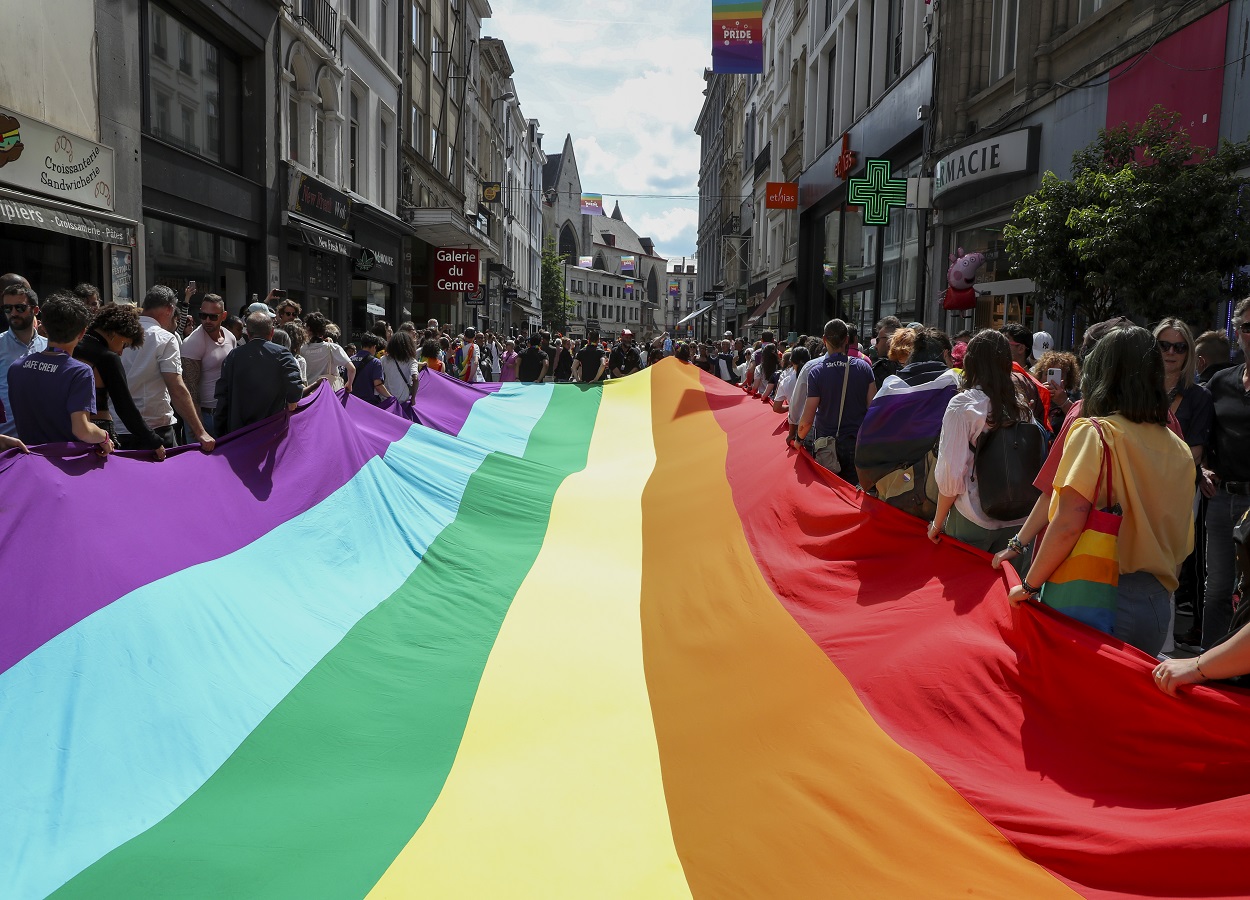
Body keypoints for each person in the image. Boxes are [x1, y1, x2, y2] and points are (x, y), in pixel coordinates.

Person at [1007, 326, 1195, 656]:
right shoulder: (1180, 449)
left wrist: (1028, 585)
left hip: (1093, 596)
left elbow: (1067, 524)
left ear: (1102, 373)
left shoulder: (1094, 433)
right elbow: (1180, 544)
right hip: (1154, 606)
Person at [928, 330, 1034, 552]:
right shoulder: (1022, 405)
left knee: (965, 585)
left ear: (971, 362)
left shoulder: (963, 405)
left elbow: (951, 475)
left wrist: (937, 523)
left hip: (972, 517)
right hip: (1019, 521)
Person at [1200, 298, 1250, 647]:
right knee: (1216, 588)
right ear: (1237, 332)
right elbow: (1204, 434)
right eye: (1248, 327)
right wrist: (1202, 468)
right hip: (1221, 499)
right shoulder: (1221, 381)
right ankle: (1207, 668)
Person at [6, 292, 112, 454]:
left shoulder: (16, 367)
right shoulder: (79, 372)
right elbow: (82, 430)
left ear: (44, 327)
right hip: (67, 464)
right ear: (82, 333)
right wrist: (105, 437)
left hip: (28, 461)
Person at [116, 285, 214, 452]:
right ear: (169, 309)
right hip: (154, 429)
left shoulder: (117, 333)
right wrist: (200, 432)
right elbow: (176, 387)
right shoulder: (166, 339)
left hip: (118, 428)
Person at [73, 303, 166, 454]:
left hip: (66, 429)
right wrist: (153, 441)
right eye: (124, 345)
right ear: (115, 333)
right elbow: (124, 406)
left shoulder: (73, 345)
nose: (121, 352)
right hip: (99, 433)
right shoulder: (108, 358)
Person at [797, 319, 876, 481]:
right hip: (856, 444)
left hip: (827, 446)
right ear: (847, 339)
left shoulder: (816, 372)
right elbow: (873, 409)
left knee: (828, 494)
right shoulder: (864, 368)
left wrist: (798, 440)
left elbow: (807, 419)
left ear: (824, 340)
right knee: (853, 496)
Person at [214, 312, 305, 436]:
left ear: (248, 333)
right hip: (273, 432)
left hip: (239, 433)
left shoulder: (233, 356)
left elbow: (222, 395)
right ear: (272, 332)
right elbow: (295, 389)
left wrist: (219, 432)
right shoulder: (283, 354)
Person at [179, 293, 236, 437]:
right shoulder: (193, 342)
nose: (207, 320)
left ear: (223, 316)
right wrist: (198, 427)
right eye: (203, 315)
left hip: (225, 413)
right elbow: (190, 389)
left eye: (213, 316)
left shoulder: (230, 337)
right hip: (204, 415)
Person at [0, 284, 47, 439]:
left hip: (42, 441)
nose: (13, 313)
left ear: (35, 310)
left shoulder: (49, 346)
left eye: (19, 308)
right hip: (5, 440)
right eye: (7, 308)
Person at [301, 312, 355, 392]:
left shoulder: (302, 349)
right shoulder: (332, 348)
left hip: (308, 394)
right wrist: (349, 384)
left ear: (308, 329)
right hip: (328, 394)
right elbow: (352, 369)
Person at [1032, 350, 1080, 434]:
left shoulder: (1075, 399)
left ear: (1067, 379)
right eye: (1048, 373)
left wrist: (1063, 402)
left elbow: (1080, 421)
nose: (1051, 379)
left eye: (1058, 375)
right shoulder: (1033, 395)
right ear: (1040, 376)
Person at [350, 334, 391, 405]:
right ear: (374, 347)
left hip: (352, 401)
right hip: (369, 403)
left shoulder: (350, 360)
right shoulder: (375, 362)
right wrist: (390, 397)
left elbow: (345, 381)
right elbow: (378, 386)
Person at [382, 331, 420, 403]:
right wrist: (413, 398)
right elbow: (416, 379)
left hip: (386, 400)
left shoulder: (384, 359)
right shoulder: (411, 361)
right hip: (403, 400)